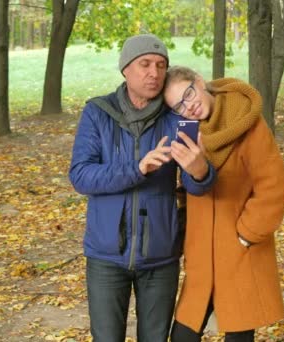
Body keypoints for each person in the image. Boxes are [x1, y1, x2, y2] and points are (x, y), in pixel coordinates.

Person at [68, 35, 216, 342]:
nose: (154, 73)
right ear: (125, 69)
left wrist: (201, 172)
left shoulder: (177, 119)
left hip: (160, 256)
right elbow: (81, 176)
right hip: (106, 255)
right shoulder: (98, 112)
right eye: (145, 64)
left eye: (161, 65)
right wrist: (137, 168)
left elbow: (195, 188)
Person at [163, 65, 284, 342]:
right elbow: (187, 190)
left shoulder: (245, 121)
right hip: (201, 254)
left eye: (189, 93)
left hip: (239, 250)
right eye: (179, 105)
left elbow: (274, 186)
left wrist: (246, 235)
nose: (189, 106)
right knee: (184, 333)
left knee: (238, 333)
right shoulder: (188, 132)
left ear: (200, 81)